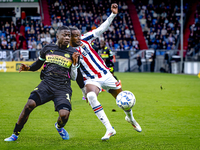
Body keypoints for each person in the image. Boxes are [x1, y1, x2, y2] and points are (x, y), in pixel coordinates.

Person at [70, 3, 142, 141]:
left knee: (122, 100)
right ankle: (109, 128)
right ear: (70, 38)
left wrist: (113, 15)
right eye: (75, 37)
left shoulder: (86, 38)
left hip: (106, 74)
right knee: (91, 96)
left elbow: (101, 29)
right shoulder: (69, 53)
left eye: (79, 35)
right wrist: (74, 67)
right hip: (91, 79)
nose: (79, 38)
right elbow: (74, 76)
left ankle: (131, 119)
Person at [4, 26, 80, 141]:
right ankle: (15, 134)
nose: (67, 37)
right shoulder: (47, 48)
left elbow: (74, 77)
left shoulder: (73, 52)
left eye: (69, 36)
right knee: (29, 105)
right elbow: (38, 65)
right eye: (64, 35)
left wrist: (74, 64)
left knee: (64, 115)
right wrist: (28, 68)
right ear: (57, 36)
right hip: (47, 84)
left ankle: (59, 127)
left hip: (62, 88)